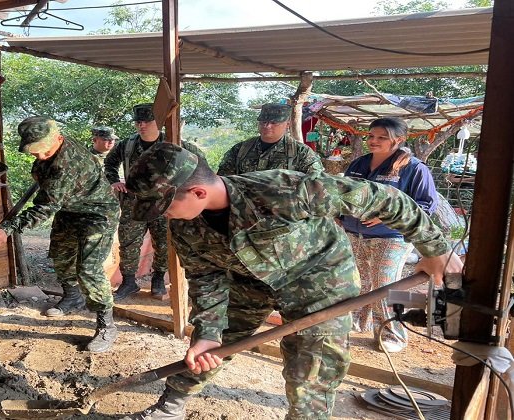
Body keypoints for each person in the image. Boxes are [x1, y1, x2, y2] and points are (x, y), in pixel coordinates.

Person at [121, 142, 462, 420]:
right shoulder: (184, 224)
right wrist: (208, 334)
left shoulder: (283, 190)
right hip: (249, 280)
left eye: (165, 205)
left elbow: (386, 199)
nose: (162, 214)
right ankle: (170, 407)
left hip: (319, 281)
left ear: (197, 191)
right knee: (208, 348)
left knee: (311, 370)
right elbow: (204, 276)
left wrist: (434, 249)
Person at [0, 116, 120, 353]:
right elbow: (48, 189)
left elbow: (45, 208)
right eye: (35, 152)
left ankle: (106, 325)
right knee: (61, 255)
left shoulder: (67, 164)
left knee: (88, 268)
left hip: (98, 213)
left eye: (43, 151)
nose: (40, 156)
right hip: (70, 209)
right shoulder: (51, 153)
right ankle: (72, 297)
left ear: (58, 138)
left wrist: (6, 229)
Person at [341, 117, 439, 353]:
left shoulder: (413, 168)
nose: (374, 141)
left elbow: (426, 205)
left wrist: (387, 217)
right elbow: (342, 194)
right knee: (359, 282)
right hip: (354, 234)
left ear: (399, 139)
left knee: (386, 284)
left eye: (382, 137)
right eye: (371, 136)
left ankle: (393, 333)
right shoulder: (358, 164)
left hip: (391, 237)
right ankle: (358, 323)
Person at [104, 103, 206, 300]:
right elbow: (110, 163)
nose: (141, 125)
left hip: (164, 204)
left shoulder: (175, 144)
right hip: (133, 202)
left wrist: (185, 192)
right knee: (128, 242)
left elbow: (200, 165)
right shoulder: (128, 145)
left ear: (157, 122)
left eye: (147, 121)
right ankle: (128, 282)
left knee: (164, 242)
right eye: (138, 121)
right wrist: (114, 181)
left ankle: (158, 279)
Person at [217, 103, 323, 176]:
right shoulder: (240, 149)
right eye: (263, 122)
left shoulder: (301, 153)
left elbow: (315, 183)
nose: (267, 126)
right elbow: (225, 180)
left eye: (274, 123)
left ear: (287, 124)